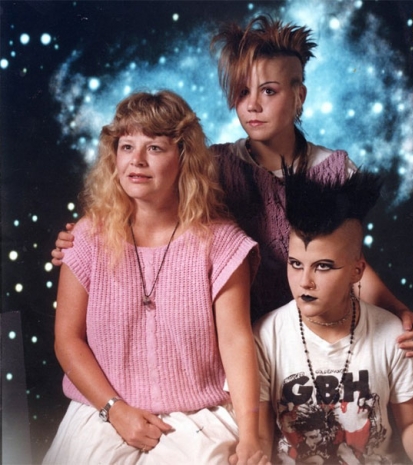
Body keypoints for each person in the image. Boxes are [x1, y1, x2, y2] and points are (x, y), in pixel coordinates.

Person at [51, 15, 413, 360]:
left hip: (317, 337)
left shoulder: (335, 170)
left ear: (299, 95)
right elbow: (147, 210)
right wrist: (80, 242)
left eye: (269, 91)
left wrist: (398, 311)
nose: (253, 106)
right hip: (237, 338)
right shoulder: (212, 165)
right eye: (243, 92)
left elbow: (346, 260)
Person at [43, 91, 270, 465]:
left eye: (154, 148)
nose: (136, 160)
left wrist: (250, 436)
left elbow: (236, 341)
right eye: (127, 146)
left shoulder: (221, 243)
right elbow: (67, 339)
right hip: (103, 409)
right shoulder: (86, 237)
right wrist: (115, 409)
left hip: (198, 418)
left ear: (183, 158)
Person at [253, 169, 413, 464]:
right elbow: (260, 436)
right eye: (296, 264)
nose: (305, 282)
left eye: (323, 266)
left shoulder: (393, 334)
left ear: (357, 271)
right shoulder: (265, 336)